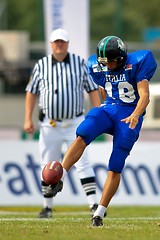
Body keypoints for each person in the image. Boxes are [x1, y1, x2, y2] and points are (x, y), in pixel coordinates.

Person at [46, 35, 157, 226]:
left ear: (121, 58)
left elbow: (145, 96)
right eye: (104, 62)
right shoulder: (96, 65)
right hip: (109, 108)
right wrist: (104, 106)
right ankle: (60, 177)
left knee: (115, 163)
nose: (108, 66)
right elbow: (104, 88)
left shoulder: (138, 62)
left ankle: (99, 213)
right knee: (84, 131)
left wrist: (136, 115)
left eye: (111, 62)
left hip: (129, 113)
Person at [23, 28, 102, 218]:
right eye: (56, 42)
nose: (59, 44)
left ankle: (93, 204)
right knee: (48, 166)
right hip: (49, 124)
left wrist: (99, 114)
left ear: (67, 44)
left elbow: (92, 89)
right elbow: (31, 91)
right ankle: (47, 206)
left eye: (62, 42)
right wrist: (27, 117)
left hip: (75, 121)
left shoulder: (79, 63)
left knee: (83, 162)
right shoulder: (41, 65)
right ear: (51, 44)